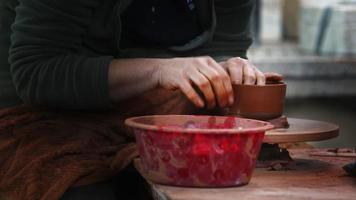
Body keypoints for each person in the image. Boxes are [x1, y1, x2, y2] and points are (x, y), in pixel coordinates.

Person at [0, 0, 275, 199]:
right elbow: (36, 72)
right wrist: (159, 70)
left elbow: (223, 50)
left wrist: (228, 69)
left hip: (161, 108)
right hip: (37, 113)